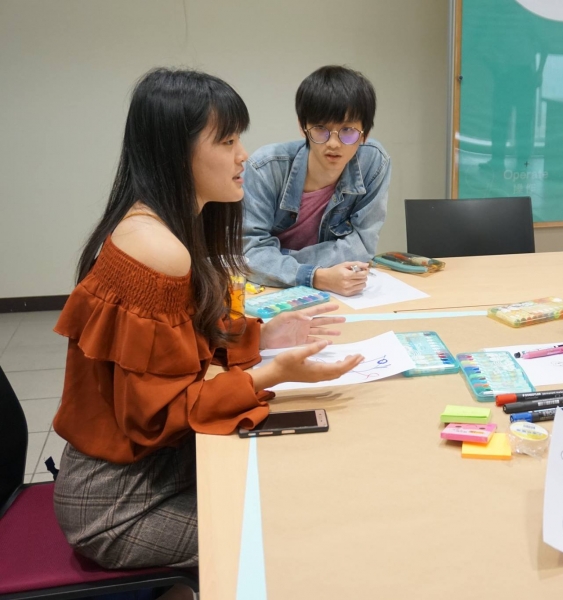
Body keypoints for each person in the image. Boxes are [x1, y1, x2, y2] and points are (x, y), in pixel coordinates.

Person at [51, 69, 363, 590]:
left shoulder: (160, 224)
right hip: (119, 506)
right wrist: (270, 374)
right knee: (296, 532)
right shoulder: (155, 248)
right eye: (227, 141)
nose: (244, 156)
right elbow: (161, 414)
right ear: (176, 152)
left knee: (299, 483)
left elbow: (183, 341)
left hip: (150, 471)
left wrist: (263, 337)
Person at [242, 66, 391, 295]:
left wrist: (279, 259)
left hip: (333, 289)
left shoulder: (374, 162)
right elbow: (250, 253)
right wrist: (316, 276)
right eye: (321, 129)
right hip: (268, 290)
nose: (334, 143)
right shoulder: (266, 167)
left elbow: (362, 244)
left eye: (347, 130)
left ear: (365, 133)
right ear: (303, 127)